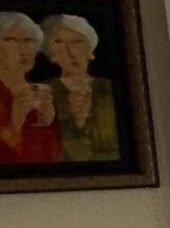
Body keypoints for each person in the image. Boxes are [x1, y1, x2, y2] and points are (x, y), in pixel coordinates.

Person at [0, 11, 58, 164]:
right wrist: (16, 119)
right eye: (11, 40)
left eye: (28, 41)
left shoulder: (37, 91)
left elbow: (53, 154)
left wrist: (48, 120)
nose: (23, 50)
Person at [40, 12, 119, 162]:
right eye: (60, 43)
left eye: (78, 42)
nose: (71, 52)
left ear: (90, 50)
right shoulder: (43, 92)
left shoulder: (110, 89)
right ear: (52, 54)